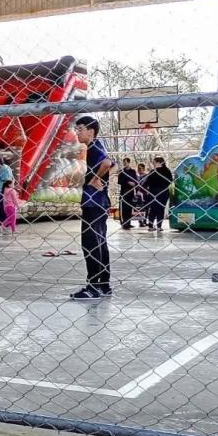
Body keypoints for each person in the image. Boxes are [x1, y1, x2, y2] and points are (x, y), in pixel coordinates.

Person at [71, 116, 113, 301]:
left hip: (93, 202)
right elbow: (114, 164)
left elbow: (108, 164)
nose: (77, 132)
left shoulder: (95, 146)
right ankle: (103, 285)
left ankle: (93, 286)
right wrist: (101, 178)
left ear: (91, 131)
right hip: (100, 202)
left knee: (90, 243)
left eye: (80, 128)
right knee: (100, 241)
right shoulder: (98, 146)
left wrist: (97, 178)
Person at [143, 156, 174, 232]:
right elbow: (170, 181)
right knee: (159, 209)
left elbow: (146, 182)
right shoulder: (163, 171)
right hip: (161, 191)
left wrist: (145, 187)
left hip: (155, 191)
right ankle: (157, 226)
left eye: (154, 162)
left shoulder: (157, 171)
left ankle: (153, 225)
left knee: (154, 209)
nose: (153, 164)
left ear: (159, 162)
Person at [117, 157, 138, 230]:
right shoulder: (121, 172)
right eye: (124, 163)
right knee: (123, 208)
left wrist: (134, 183)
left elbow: (136, 181)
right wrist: (128, 182)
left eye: (126, 163)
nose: (125, 164)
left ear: (129, 163)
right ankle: (123, 223)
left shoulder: (133, 171)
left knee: (129, 208)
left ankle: (128, 223)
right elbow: (119, 181)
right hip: (124, 191)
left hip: (131, 192)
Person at [0, 158, 14, 225]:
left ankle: (2, 220)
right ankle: (3, 220)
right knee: (1, 205)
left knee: (0, 206)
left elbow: (6, 179)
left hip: (0, 190)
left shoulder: (3, 169)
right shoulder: (7, 167)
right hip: (1, 189)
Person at [135, 162, 148, 227]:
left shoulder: (146, 176)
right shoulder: (136, 176)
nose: (139, 170)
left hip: (145, 193)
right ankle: (140, 221)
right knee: (139, 208)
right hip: (138, 193)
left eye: (140, 168)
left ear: (143, 169)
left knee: (146, 207)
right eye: (138, 168)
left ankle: (145, 220)